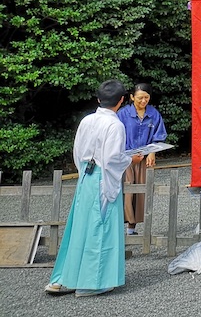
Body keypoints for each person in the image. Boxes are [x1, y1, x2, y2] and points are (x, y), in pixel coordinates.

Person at [46, 80, 143, 297]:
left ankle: (65, 277)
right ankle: (93, 281)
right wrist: (131, 160)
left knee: (79, 227)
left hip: (86, 177)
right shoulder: (115, 125)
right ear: (122, 100)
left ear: (99, 99)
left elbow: (77, 151)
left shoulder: (87, 120)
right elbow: (111, 159)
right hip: (102, 177)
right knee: (101, 227)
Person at [117, 82, 168, 234]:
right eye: (140, 98)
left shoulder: (154, 114)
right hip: (126, 158)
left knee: (140, 192)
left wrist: (152, 152)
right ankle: (120, 226)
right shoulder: (123, 114)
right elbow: (117, 137)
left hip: (144, 158)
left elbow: (159, 136)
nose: (143, 101)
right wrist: (128, 155)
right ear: (132, 97)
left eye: (146, 97)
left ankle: (131, 228)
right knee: (126, 190)